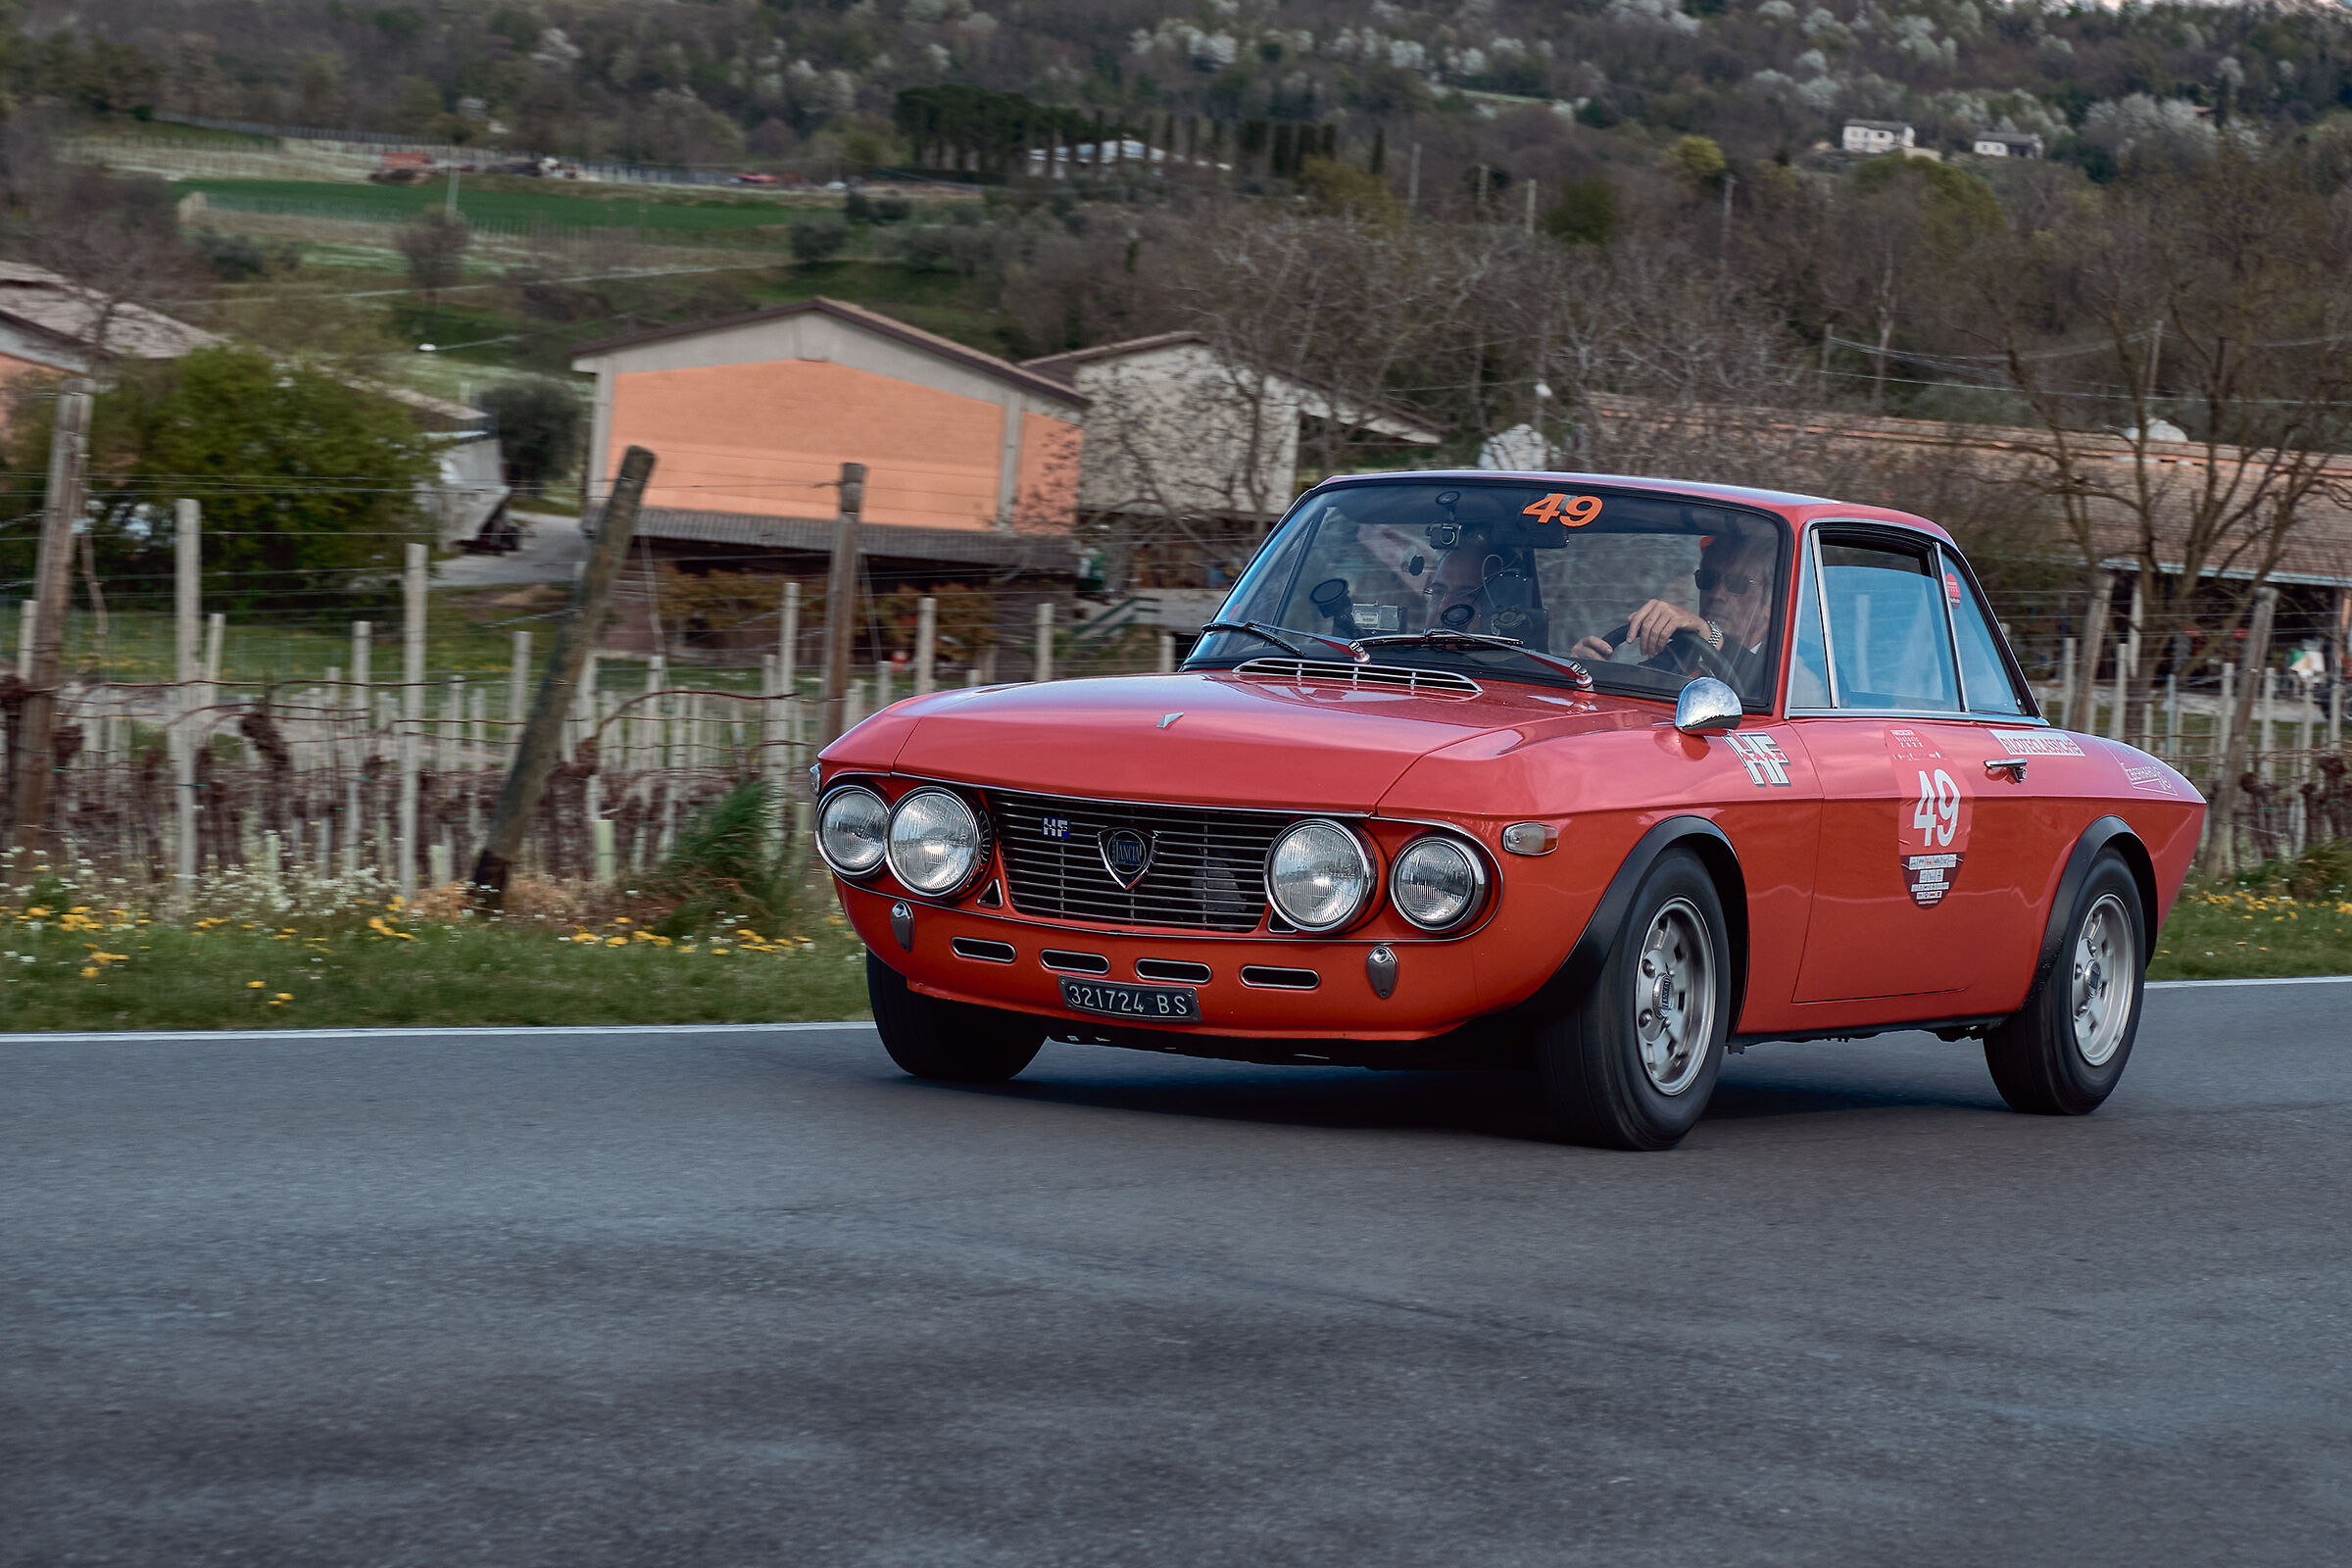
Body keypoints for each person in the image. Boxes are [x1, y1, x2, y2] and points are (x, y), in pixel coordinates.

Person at [1569, 529, 1777, 694]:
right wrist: (1591, 672)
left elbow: (1760, 686)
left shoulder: (1794, 674)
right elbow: (1635, 691)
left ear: (1770, 602)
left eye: (1736, 584)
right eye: (1707, 579)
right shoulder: (1680, 653)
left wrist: (1708, 636)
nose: (1715, 594)